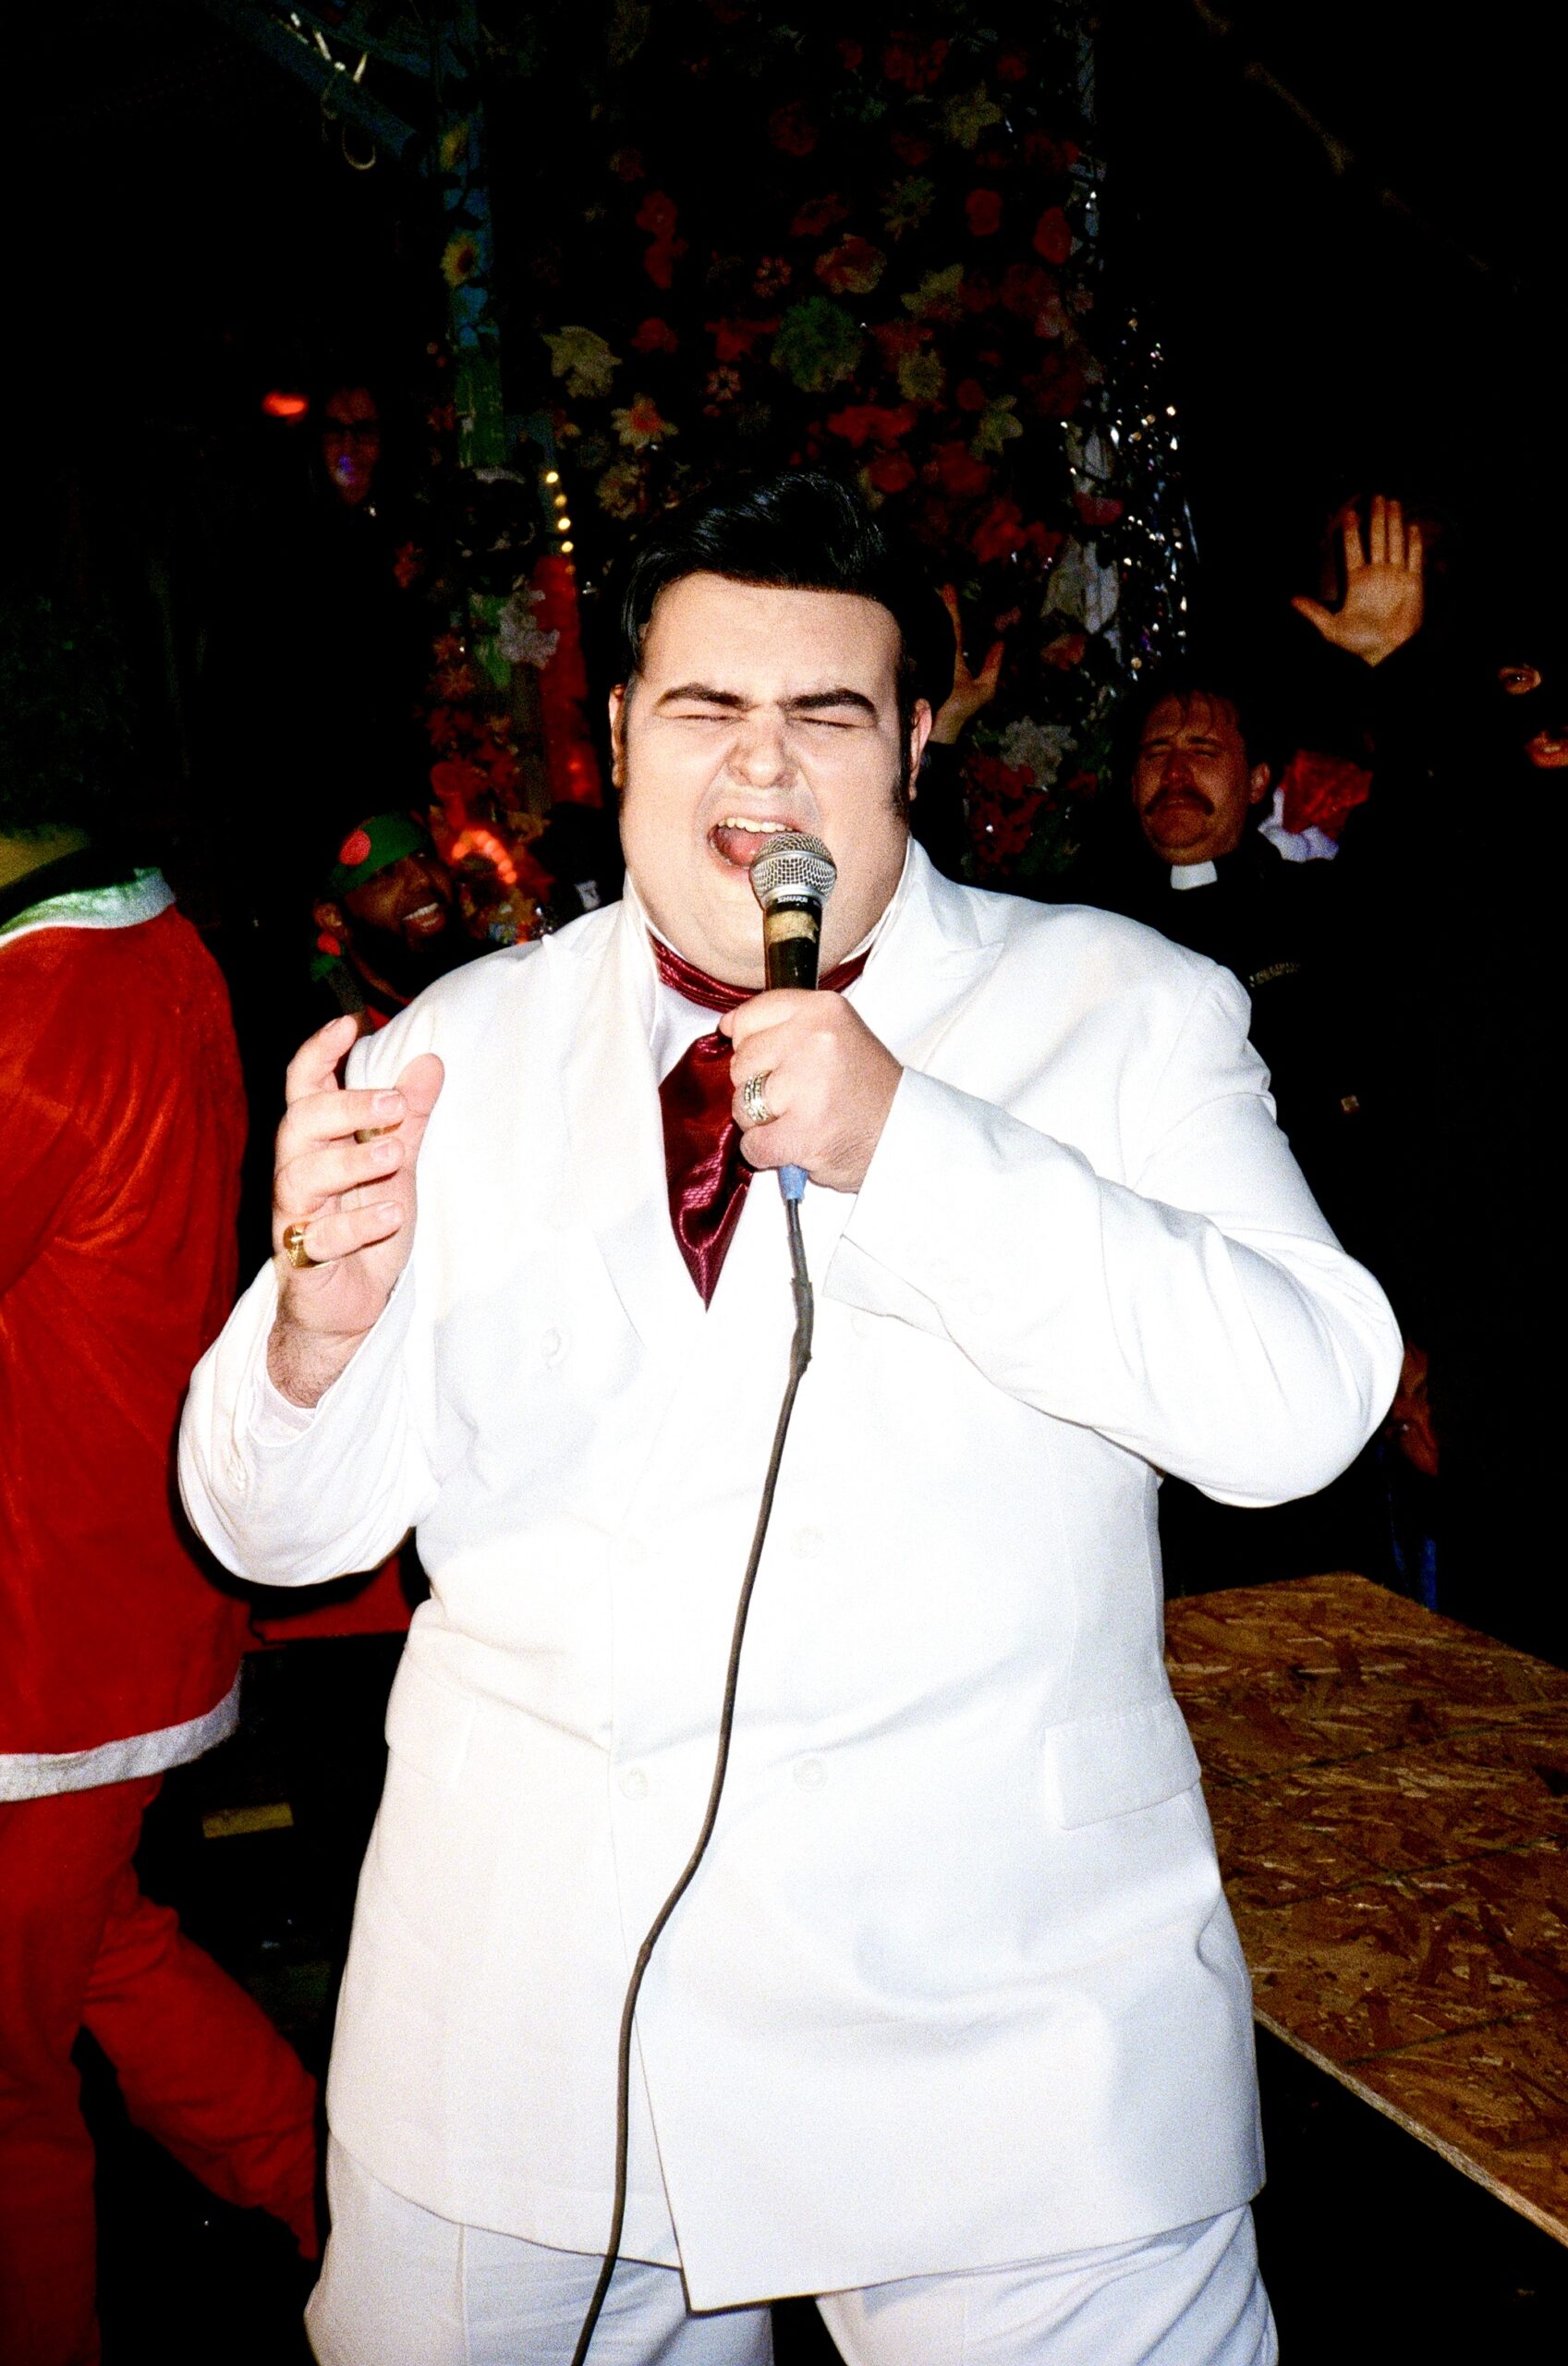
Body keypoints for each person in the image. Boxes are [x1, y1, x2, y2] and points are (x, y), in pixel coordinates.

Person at [179, 474, 1400, 2366]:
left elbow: (1299, 1406)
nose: (760, 764)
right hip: (535, 2039)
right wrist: (314, 1329)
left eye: (825, 713)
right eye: (703, 708)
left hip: (1006, 2041)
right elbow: (274, 1531)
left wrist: (912, 1141)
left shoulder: (1122, 1008)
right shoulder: (454, 1046)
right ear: (614, 736)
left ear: (913, 740)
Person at [0, 595, 319, 2366]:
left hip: (47, 1638)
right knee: (103, 1949)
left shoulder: (41, 1004)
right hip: (119, 1596)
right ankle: (349, 2220)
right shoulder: (154, 941)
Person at [311, 811, 472, 1033]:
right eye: (385, 872)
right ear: (335, 919)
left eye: (422, 855)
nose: (422, 878)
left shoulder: (494, 967)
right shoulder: (336, 1036)